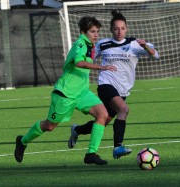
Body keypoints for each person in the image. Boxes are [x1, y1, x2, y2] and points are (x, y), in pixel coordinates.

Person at [14, 16, 117, 165]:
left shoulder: (91, 45)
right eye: (92, 31)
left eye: (97, 31)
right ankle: (22, 141)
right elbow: (79, 62)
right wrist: (102, 67)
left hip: (82, 92)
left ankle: (91, 154)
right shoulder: (81, 44)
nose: (96, 34)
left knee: (103, 114)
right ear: (83, 32)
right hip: (66, 93)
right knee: (49, 126)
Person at [68, 10, 159, 159]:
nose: (119, 31)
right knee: (123, 109)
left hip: (122, 90)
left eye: (122, 28)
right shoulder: (103, 44)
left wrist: (146, 47)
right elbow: (87, 60)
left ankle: (77, 130)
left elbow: (156, 55)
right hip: (106, 85)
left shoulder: (135, 44)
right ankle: (118, 147)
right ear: (111, 29)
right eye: (116, 28)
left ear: (127, 28)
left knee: (102, 121)